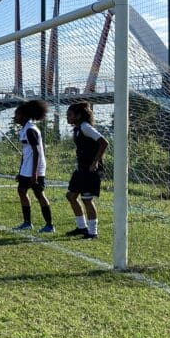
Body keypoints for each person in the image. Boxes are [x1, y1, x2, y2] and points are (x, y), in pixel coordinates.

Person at [65, 101, 109, 239]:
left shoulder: (85, 127)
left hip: (90, 169)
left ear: (78, 116)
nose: (67, 117)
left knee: (87, 199)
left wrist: (95, 162)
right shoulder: (78, 128)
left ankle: (92, 232)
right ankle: (81, 227)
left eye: (70, 114)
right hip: (81, 169)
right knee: (71, 196)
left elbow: (104, 142)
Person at [13, 99, 53, 233]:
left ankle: (49, 225)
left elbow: (37, 152)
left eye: (17, 114)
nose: (15, 117)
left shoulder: (31, 130)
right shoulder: (24, 129)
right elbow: (25, 153)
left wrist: (35, 173)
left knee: (39, 194)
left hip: (35, 169)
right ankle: (27, 223)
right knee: (21, 191)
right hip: (26, 168)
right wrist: (21, 171)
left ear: (23, 115)